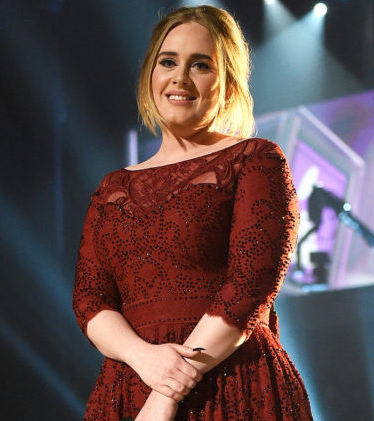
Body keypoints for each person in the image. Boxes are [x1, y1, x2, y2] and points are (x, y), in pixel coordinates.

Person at [72, 5, 313, 421]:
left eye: (200, 65)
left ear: (228, 85)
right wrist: (145, 360)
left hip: (231, 384)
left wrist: (166, 394)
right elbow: (90, 299)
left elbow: (249, 287)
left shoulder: (255, 159)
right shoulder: (112, 189)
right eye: (168, 62)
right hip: (132, 386)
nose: (180, 78)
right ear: (151, 74)